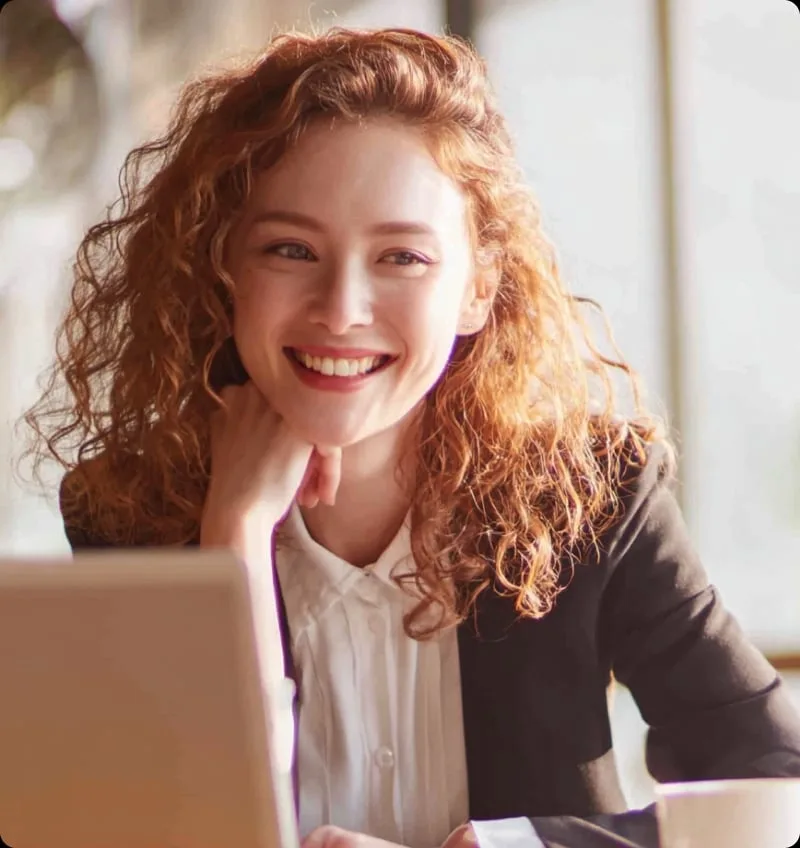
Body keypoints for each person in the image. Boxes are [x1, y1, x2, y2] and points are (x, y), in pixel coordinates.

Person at [23, 26, 800, 848]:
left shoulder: (594, 496)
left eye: (402, 257)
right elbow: (157, 825)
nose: (341, 308)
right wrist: (235, 540)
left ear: (478, 289)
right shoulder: (128, 516)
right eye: (290, 249)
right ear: (224, 267)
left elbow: (774, 787)